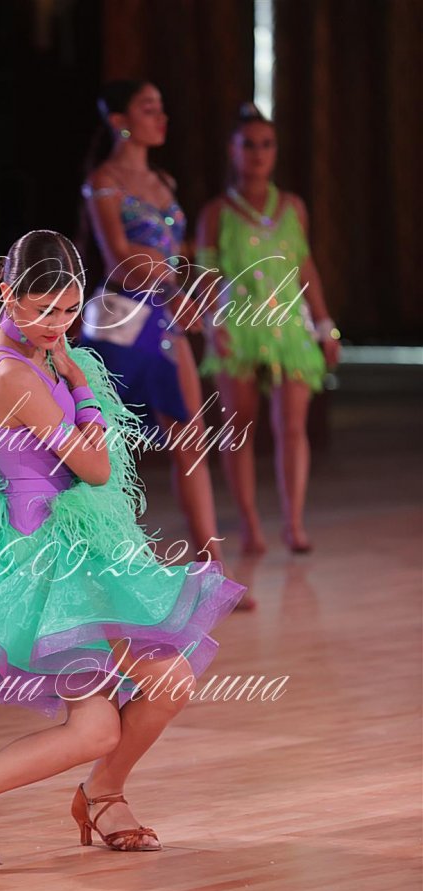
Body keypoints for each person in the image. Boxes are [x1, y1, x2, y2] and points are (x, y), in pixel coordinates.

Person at [0, 230, 246, 866]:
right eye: (42, 309)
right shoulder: (15, 372)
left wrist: (66, 368)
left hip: (76, 553)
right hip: (50, 564)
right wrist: (80, 383)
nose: (56, 324)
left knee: (156, 690)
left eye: (69, 311)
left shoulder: (31, 355)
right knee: (104, 722)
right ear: (8, 295)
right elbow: (94, 467)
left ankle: (89, 796)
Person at [78, 80, 253, 606]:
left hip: (164, 311)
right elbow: (119, 258)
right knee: (101, 449)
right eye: (148, 108)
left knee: (191, 440)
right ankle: (95, 570)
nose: (162, 117)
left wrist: (195, 286)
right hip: (119, 317)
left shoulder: (164, 181)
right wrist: (170, 284)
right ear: (119, 121)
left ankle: (213, 570)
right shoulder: (103, 182)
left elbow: (172, 256)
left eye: (161, 107)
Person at [195, 102, 341, 554]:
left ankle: (294, 523)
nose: (258, 154)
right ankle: (249, 523)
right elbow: (207, 277)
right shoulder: (217, 212)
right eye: (249, 145)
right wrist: (212, 324)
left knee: (293, 426)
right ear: (233, 150)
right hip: (239, 326)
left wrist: (324, 324)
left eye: (266, 145)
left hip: (288, 327)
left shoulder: (293, 207)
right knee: (240, 428)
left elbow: (304, 267)